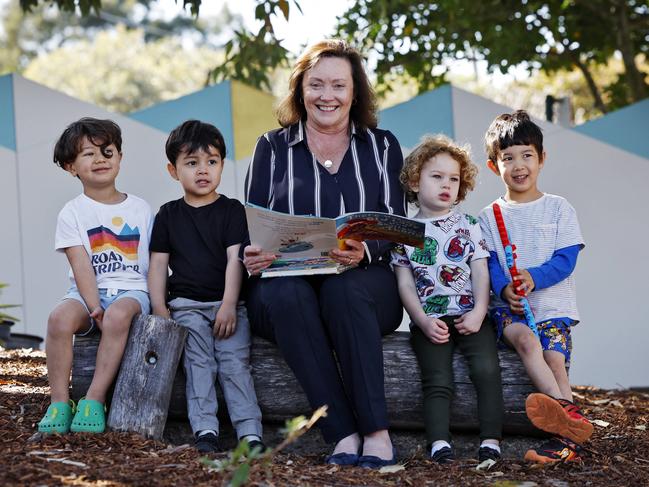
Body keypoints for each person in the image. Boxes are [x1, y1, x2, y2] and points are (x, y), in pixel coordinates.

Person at [243, 39, 405, 468]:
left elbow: (395, 224)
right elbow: (255, 223)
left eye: (338, 85)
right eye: (316, 85)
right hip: (285, 281)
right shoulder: (272, 147)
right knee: (286, 297)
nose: (327, 96)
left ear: (355, 92)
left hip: (364, 282)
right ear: (301, 90)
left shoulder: (383, 146)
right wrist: (256, 254)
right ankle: (342, 433)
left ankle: (376, 432)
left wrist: (364, 248)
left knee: (344, 293)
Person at [478, 110, 592, 463]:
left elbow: (567, 258)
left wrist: (534, 277)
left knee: (556, 362)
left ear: (541, 158)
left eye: (526, 155)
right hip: (512, 314)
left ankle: (565, 442)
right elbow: (491, 264)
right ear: (494, 166)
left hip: (553, 311)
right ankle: (569, 430)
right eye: (507, 158)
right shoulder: (488, 216)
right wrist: (504, 289)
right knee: (528, 343)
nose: (518, 165)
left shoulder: (559, 208)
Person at [148, 120, 264, 454]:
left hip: (228, 306)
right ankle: (206, 431)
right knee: (199, 363)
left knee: (234, 364)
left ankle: (250, 432)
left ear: (222, 166)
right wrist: (160, 309)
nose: (203, 170)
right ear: (173, 170)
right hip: (185, 306)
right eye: (192, 163)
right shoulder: (168, 215)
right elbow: (158, 264)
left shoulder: (232, 211)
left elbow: (235, 260)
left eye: (212, 162)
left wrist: (229, 304)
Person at [391, 135, 503, 464]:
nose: (446, 185)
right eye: (436, 176)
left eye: (453, 179)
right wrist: (422, 321)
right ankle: (439, 442)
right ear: (414, 181)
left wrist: (480, 312)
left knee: (486, 370)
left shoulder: (469, 226)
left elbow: (481, 272)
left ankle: (491, 441)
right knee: (437, 378)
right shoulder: (404, 230)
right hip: (430, 320)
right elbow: (405, 284)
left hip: (470, 314)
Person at [38, 118, 152, 434]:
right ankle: (60, 401)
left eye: (108, 150)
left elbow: (154, 261)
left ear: (120, 157)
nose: (100, 159)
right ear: (70, 166)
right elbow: (81, 265)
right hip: (86, 291)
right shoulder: (72, 212)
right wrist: (92, 306)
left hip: (132, 291)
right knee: (59, 319)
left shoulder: (141, 209)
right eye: (88, 154)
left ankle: (94, 399)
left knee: (117, 317)